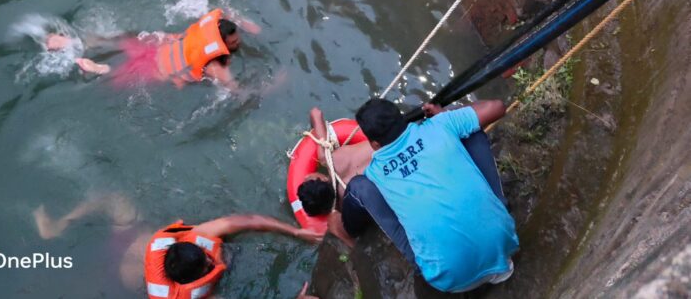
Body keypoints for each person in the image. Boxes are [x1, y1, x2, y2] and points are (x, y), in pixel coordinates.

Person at [340, 98, 519, 294]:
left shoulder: (375, 173)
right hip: (503, 247)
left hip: (449, 280)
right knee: (471, 128)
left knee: (359, 187)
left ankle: (347, 229)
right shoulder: (441, 124)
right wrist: (444, 114)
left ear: (374, 144)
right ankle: (498, 209)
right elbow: (497, 107)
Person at [33, 194, 321, 298]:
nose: (211, 260)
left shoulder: (195, 237)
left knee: (114, 199)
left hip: (131, 241)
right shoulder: (194, 297)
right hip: (128, 275)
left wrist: (296, 232)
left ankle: (57, 225)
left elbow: (245, 220)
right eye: (208, 264)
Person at [45, 8, 260, 90]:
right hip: (154, 70)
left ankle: (72, 42)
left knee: (116, 40)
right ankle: (100, 69)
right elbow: (237, 92)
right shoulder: (216, 66)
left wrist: (243, 23)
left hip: (155, 45)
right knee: (120, 73)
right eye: (233, 43)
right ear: (220, 41)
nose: (237, 43)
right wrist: (271, 88)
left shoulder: (210, 28)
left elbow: (224, 15)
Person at [296, 107, 373, 216]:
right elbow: (315, 113)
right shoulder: (329, 158)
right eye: (307, 180)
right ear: (323, 178)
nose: (305, 177)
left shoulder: (346, 205)